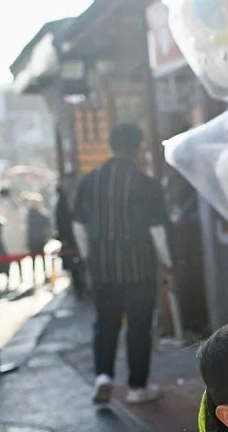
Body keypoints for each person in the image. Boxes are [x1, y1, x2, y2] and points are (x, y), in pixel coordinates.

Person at [73, 123, 174, 405]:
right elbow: (158, 231)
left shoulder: (89, 182)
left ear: (112, 146)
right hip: (139, 267)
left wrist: (87, 260)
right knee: (139, 326)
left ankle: (103, 376)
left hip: (103, 267)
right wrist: (168, 263)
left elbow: (79, 227)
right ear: (137, 147)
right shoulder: (146, 184)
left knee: (105, 323)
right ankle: (137, 387)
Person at [53, 181, 85, 300]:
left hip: (71, 239)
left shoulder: (66, 202)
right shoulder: (63, 203)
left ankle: (80, 288)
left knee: (76, 265)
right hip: (70, 240)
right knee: (75, 266)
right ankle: (79, 288)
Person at [23, 192, 52, 281]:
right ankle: (41, 275)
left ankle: (38, 275)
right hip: (37, 238)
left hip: (37, 238)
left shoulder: (31, 213)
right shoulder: (34, 213)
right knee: (38, 258)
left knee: (36, 258)